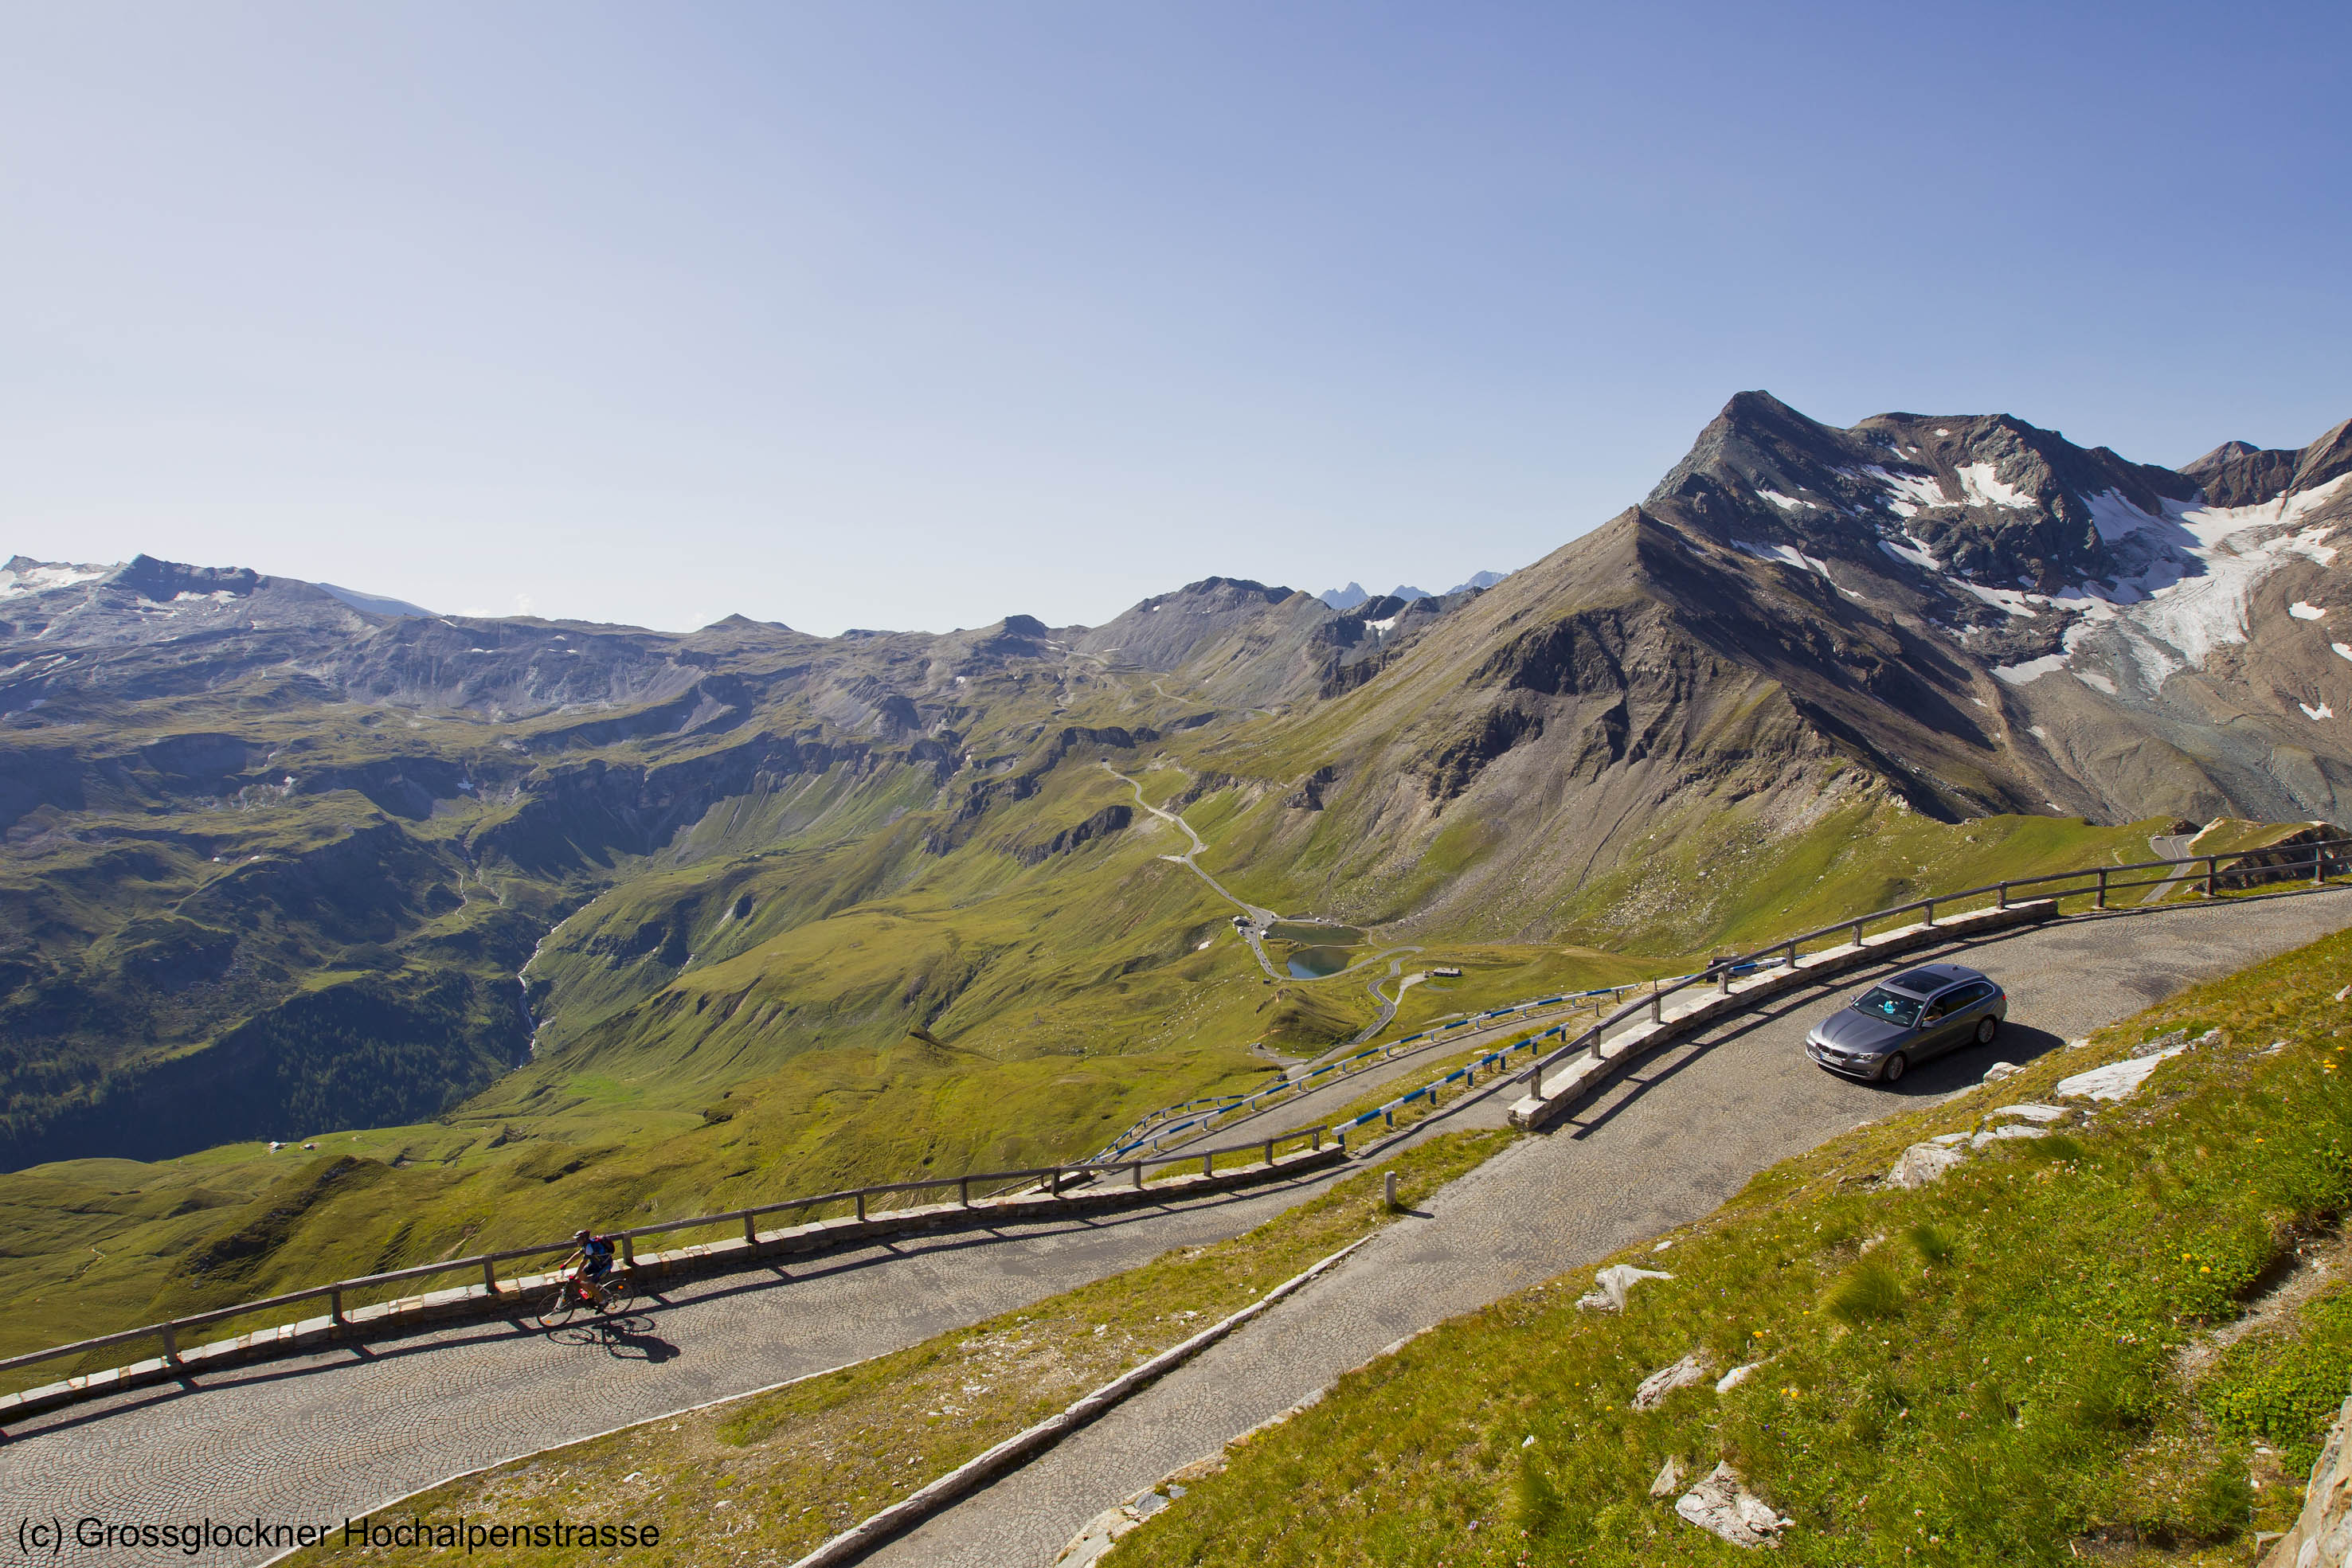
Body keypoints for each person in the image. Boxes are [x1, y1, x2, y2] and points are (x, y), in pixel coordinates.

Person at [558, 1228, 618, 1306]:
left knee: (591, 1285)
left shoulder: (590, 1247)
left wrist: (575, 1275)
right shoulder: (586, 1245)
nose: (577, 1241)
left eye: (578, 1239)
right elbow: (578, 1254)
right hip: (596, 1264)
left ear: (584, 1239)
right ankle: (590, 1296)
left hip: (605, 1266)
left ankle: (603, 1303)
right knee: (581, 1276)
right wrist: (565, 1264)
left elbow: (583, 1262)